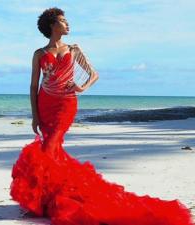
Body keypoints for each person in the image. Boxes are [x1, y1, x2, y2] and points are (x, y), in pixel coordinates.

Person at [10, 7, 193, 225]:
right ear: (52, 25)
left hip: (66, 105)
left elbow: (93, 74)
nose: (67, 24)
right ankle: (48, 199)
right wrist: (34, 115)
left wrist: (81, 87)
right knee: (54, 149)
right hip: (45, 104)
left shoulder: (74, 50)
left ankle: (50, 197)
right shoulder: (39, 54)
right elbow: (33, 86)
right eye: (63, 21)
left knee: (49, 147)